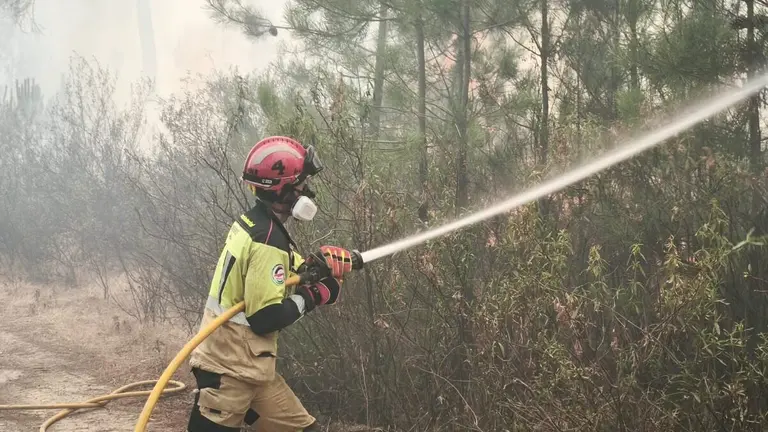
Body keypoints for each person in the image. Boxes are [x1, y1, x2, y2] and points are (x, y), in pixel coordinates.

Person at [186, 136, 355, 431]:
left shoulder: (255, 223)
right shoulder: (268, 240)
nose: (308, 191)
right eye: (301, 184)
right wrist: (314, 295)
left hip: (251, 369)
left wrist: (314, 267)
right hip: (228, 375)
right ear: (285, 191)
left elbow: (281, 264)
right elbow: (265, 318)